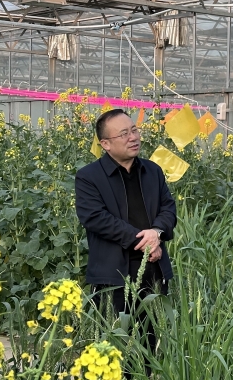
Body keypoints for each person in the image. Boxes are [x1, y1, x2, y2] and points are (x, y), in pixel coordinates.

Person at [75, 109, 177, 314]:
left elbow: (168, 208)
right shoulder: (89, 177)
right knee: (114, 332)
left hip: (154, 271)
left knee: (155, 332)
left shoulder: (152, 171)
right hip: (112, 277)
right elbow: (96, 218)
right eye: (124, 134)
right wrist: (147, 243)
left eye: (134, 130)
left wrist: (156, 232)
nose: (133, 137)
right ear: (105, 144)